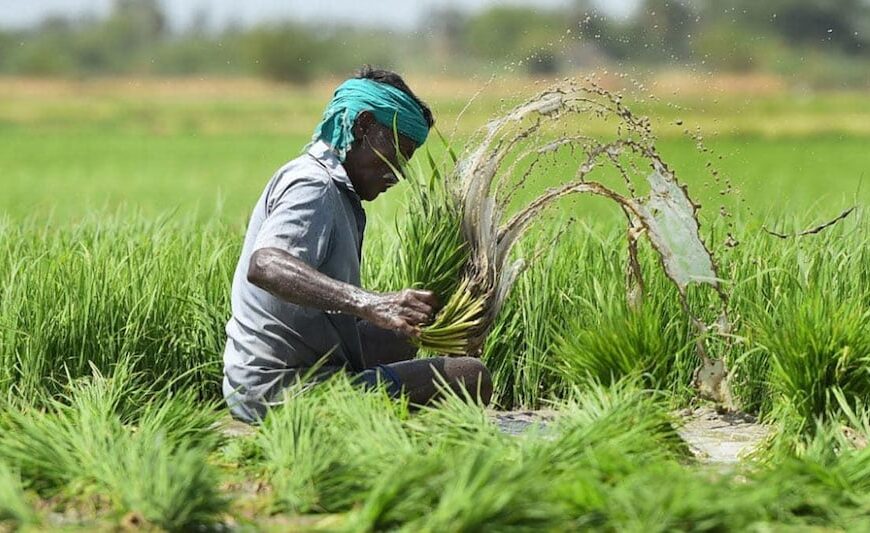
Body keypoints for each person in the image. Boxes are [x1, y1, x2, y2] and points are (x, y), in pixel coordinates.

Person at [223, 66, 493, 423]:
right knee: (471, 375)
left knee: (405, 338)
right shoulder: (314, 185)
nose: (398, 173)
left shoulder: (336, 191)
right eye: (398, 151)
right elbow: (266, 266)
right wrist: (369, 302)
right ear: (363, 126)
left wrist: (431, 322)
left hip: (282, 379)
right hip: (281, 391)